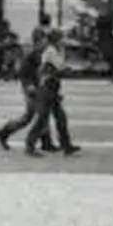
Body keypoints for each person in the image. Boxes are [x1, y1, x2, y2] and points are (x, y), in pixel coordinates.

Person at [0, 28, 56, 152]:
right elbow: (23, 73)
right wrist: (29, 86)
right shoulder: (32, 55)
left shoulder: (42, 54)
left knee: (40, 114)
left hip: (38, 87)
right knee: (30, 117)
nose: (46, 43)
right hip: (31, 89)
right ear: (38, 41)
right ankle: (3, 133)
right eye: (43, 40)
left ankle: (46, 142)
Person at [27, 28, 80, 157]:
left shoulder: (56, 50)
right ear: (56, 39)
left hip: (52, 88)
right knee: (42, 120)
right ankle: (29, 146)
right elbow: (60, 68)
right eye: (61, 38)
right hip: (47, 89)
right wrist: (71, 70)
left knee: (61, 118)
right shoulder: (51, 51)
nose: (64, 40)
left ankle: (66, 145)